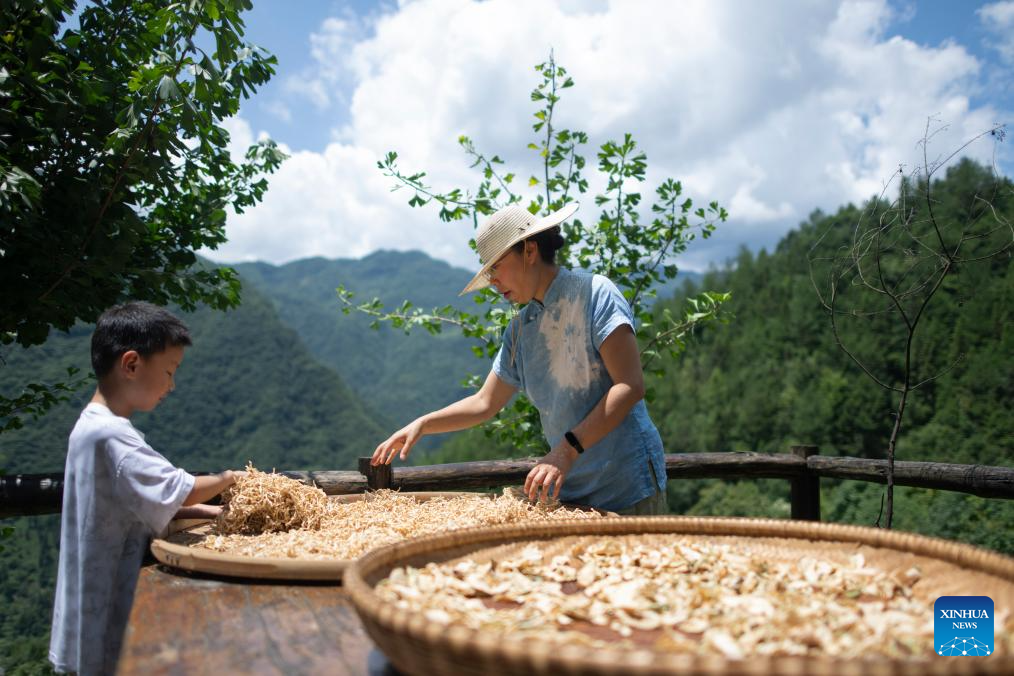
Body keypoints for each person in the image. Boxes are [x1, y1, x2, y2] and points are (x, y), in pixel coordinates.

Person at [372, 203, 668, 514]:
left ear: (529, 251)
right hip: (569, 491)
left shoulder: (596, 293)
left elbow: (629, 385)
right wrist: (423, 423)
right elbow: (485, 402)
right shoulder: (519, 330)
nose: (493, 281)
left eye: (495, 267)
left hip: (627, 484)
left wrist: (565, 452)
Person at [49, 301, 243, 675]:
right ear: (132, 364)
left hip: (82, 612)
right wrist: (231, 479)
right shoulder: (112, 435)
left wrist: (207, 513)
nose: (172, 385)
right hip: (103, 618)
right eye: (169, 372)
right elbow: (179, 489)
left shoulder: (90, 426)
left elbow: (136, 505)